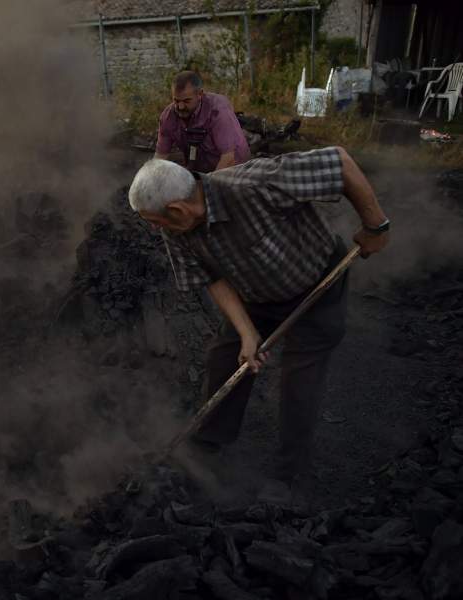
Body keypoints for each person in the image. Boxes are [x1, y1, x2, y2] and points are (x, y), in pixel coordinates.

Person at [129, 147, 391, 499]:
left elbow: (340, 161)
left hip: (316, 283)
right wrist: (246, 332)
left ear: (176, 208)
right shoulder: (175, 229)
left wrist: (376, 225)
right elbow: (212, 278)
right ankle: (209, 444)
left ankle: (289, 473)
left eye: (155, 220)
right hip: (255, 295)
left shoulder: (255, 184)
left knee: (300, 379)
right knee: (224, 359)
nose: (154, 228)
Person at [154, 71, 250, 173]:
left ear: (200, 94)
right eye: (176, 101)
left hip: (236, 167)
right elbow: (160, 157)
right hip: (200, 168)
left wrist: (206, 185)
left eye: (186, 101)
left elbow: (229, 158)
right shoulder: (168, 117)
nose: (180, 107)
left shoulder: (218, 111)